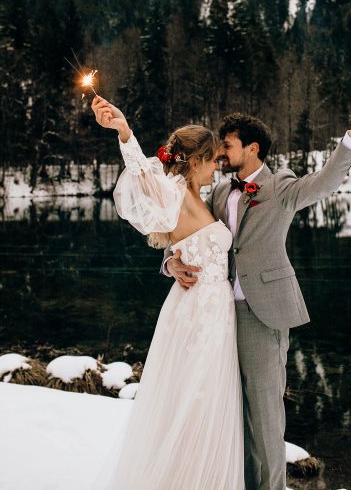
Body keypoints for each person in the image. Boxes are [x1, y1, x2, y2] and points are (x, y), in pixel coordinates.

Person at [162, 90, 351, 490]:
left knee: (265, 413)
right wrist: (170, 262)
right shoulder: (218, 190)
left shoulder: (281, 186)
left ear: (251, 149)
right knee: (227, 408)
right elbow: (186, 235)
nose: (220, 153)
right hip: (214, 316)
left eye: (228, 146)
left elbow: (326, 181)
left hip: (260, 312)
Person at [90, 95, 244, 490]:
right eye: (212, 160)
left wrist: (172, 260)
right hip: (198, 316)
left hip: (213, 313)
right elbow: (141, 171)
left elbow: (189, 244)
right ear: (194, 162)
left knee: (206, 400)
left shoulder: (201, 196)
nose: (217, 166)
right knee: (193, 398)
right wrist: (124, 131)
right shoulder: (172, 191)